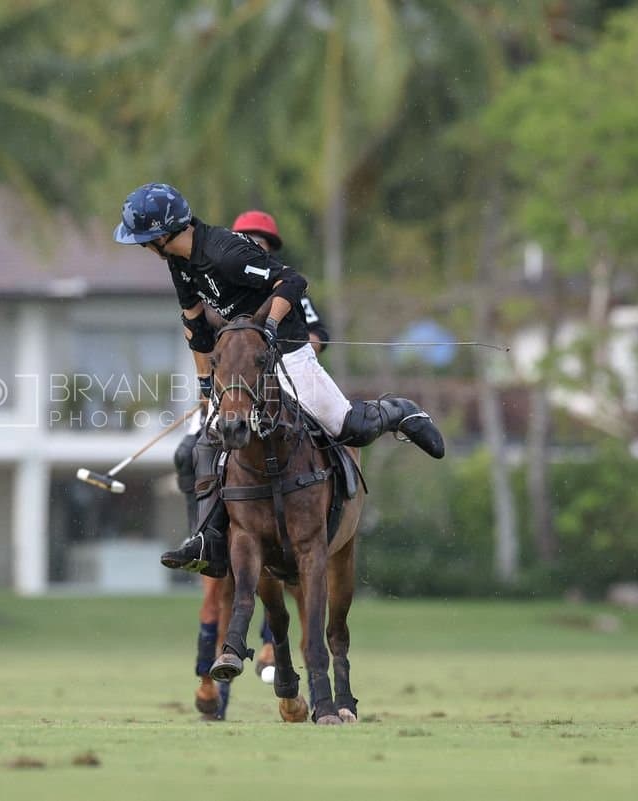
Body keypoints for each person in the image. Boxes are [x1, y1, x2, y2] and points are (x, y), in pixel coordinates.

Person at [114, 183, 445, 580]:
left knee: (349, 429)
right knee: (208, 442)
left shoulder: (225, 253)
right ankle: (208, 540)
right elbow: (196, 327)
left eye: (145, 239)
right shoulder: (179, 262)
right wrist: (206, 388)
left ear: (165, 233)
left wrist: (268, 326)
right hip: (242, 369)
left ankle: (398, 412)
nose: (143, 247)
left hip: (287, 352)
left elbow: (292, 282)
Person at [176, 210, 328, 709]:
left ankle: (331, 507)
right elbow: (204, 339)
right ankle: (206, 531)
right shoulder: (220, 287)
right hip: (235, 395)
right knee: (189, 451)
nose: (255, 247)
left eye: (263, 242)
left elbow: (315, 336)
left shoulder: (281, 288)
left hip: (281, 384)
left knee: (327, 437)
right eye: (248, 240)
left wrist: (271, 351)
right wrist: (210, 389)